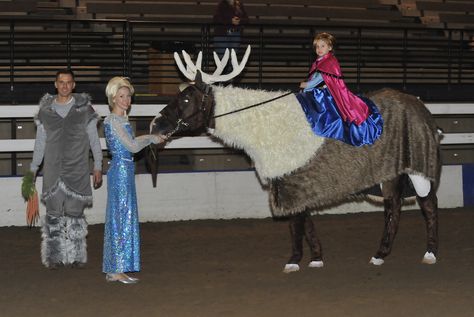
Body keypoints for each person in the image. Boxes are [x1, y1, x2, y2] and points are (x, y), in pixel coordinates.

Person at [30, 69, 103, 269]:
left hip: (77, 171)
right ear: (55, 84)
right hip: (52, 172)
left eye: (68, 82)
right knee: (53, 214)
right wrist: (33, 169)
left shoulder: (84, 110)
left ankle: (76, 256)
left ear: (73, 85)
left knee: (75, 214)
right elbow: (40, 142)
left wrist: (97, 165)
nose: (64, 86)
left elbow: (94, 141)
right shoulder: (46, 111)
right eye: (61, 82)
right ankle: (54, 257)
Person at [102, 77, 167, 284]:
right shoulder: (113, 121)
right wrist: (150, 138)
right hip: (121, 171)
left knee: (121, 217)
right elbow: (131, 146)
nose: (126, 99)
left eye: (128, 95)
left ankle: (115, 268)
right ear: (113, 98)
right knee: (121, 218)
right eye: (121, 96)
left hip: (125, 170)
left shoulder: (121, 119)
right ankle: (116, 269)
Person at [297, 32, 383, 146]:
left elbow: (315, 81)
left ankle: (323, 127)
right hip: (322, 89)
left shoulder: (328, 62)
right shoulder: (320, 61)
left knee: (319, 104)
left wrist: (305, 85)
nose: (319, 49)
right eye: (317, 46)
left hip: (328, 93)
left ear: (330, 47)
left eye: (323, 46)